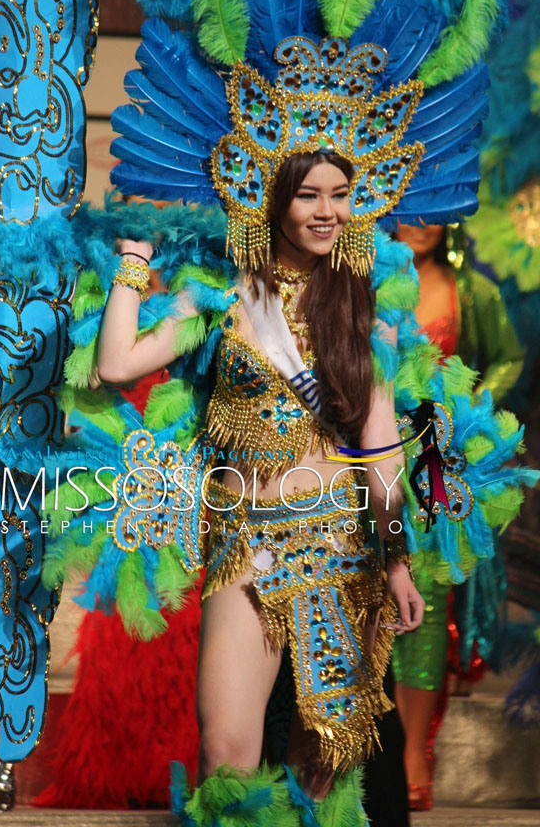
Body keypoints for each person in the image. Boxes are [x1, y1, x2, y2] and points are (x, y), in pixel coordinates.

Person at [97, 149, 425, 812]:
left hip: (338, 548)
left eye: (340, 195)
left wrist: (396, 563)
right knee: (226, 750)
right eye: (309, 195)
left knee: (324, 761)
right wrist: (133, 264)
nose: (327, 211)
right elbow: (115, 366)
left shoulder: (368, 304)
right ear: (275, 201)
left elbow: (381, 448)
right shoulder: (222, 292)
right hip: (244, 543)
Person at [392, 222, 523, 810]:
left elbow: (510, 358)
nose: (420, 223)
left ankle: (413, 749)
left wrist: (470, 405)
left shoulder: (474, 292)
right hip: (362, 463)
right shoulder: (364, 284)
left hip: (439, 467)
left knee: (425, 611)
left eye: (433, 209)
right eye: (409, 207)